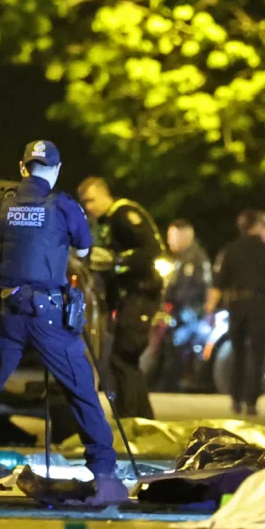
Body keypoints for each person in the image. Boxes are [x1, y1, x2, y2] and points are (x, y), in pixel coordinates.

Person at [0, 140, 127, 505]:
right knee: (81, 389)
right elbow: (83, 251)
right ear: (56, 169)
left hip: (1, 316)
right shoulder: (65, 206)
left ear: (22, 168)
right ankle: (104, 471)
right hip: (49, 315)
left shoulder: (0, 203)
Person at [77, 176, 164, 419]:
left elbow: (151, 251)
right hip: (128, 297)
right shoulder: (104, 222)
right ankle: (138, 417)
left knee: (123, 356)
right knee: (123, 359)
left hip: (141, 292)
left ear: (105, 195)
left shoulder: (124, 214)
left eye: (91, 201)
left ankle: (132, 417)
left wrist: (117, 261)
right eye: (84, 203)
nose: (88, 207)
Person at [203, 210, 265, 416]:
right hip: (260, 304)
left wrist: (209, 308)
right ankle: (251, 401)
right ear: (257, 227)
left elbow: (218, 282)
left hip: (236, 304)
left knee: (238, 351)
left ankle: (236, 400)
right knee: (257, 353)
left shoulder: (230, 250)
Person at [149, 219, 212, 391]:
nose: (169, 241)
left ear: (184, 236)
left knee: (176, 353)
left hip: (188, 317)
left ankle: (172, 386)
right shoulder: (183, 258)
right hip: (182, 315)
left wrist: (174, 303)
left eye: (172, 236)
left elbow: (195, 291)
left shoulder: (194, 259)